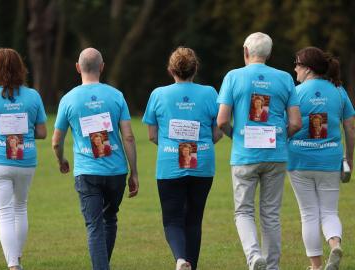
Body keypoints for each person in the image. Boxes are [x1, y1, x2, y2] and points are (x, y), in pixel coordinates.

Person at [217, 32, 302, 270]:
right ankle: (272, 266)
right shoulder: (285, 78)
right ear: (269, 54)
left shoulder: (233, 76)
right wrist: (279, 137)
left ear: (245, 51)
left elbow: (222, 120)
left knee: (243, 211)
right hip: (275, 154)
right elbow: (296, 122)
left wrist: (237, 136)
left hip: (245, 154)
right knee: (271, 214)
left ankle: (254, 257)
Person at [52, 47, 139, 270]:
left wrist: (60, 159)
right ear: (102, 67)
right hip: (116, 171)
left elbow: (56, 140)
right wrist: (134, 172)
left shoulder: (68, 99)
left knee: (94, 226)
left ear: (78, 68)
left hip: (87, 172)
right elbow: (128, 136)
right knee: (109, 219)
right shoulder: (116, 96)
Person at [143, 47, 223, 270]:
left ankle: (180, 259)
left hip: (169, 164)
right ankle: (191, 266)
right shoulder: (210, 93)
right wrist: (201, 144)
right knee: (194, 219)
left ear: (171, 70)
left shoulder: (158, 94)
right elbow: (218, 131)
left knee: (172, 219)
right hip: (203, 163)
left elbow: (151, 135)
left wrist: (174, 146)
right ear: (195, 68)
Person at [0, 48, 47, 270]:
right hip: (25, 159)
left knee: (4, 213)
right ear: (20, 68)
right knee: (20, 208)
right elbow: (42, 132)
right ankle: (18, 257)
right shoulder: (33, 96)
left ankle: (13, 264)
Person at [288, 46, 355, 270]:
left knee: (308, 214)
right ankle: (334, 243)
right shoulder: (339, 91)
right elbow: (350, 129)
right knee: (329, 211)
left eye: (297, 64)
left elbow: (288, 125)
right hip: (330, 160)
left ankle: (316, 267)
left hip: (299, 160)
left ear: (307, 68)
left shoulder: (295, 93)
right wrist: (349, 158)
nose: (295, 69)